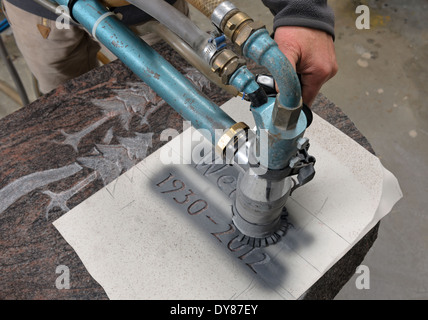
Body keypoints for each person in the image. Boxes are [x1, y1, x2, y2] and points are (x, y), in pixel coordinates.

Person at [2, 0, 337, 106]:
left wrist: (301, 10)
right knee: (63, 94)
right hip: (39, 11)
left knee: (162, 90)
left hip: (148, 9)